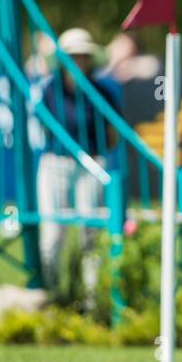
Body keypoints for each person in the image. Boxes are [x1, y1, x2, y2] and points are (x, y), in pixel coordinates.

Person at [35, 28, 120, 296]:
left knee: (91, 233)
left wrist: (95, 155)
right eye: (73, 56)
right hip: (56, 164)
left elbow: (112, 134)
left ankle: (91, 300)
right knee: (53, 231)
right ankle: (51, 293)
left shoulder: (102, 92)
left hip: (92, 165)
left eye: (83, 56)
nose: (78, 61)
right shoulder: (50, 91)